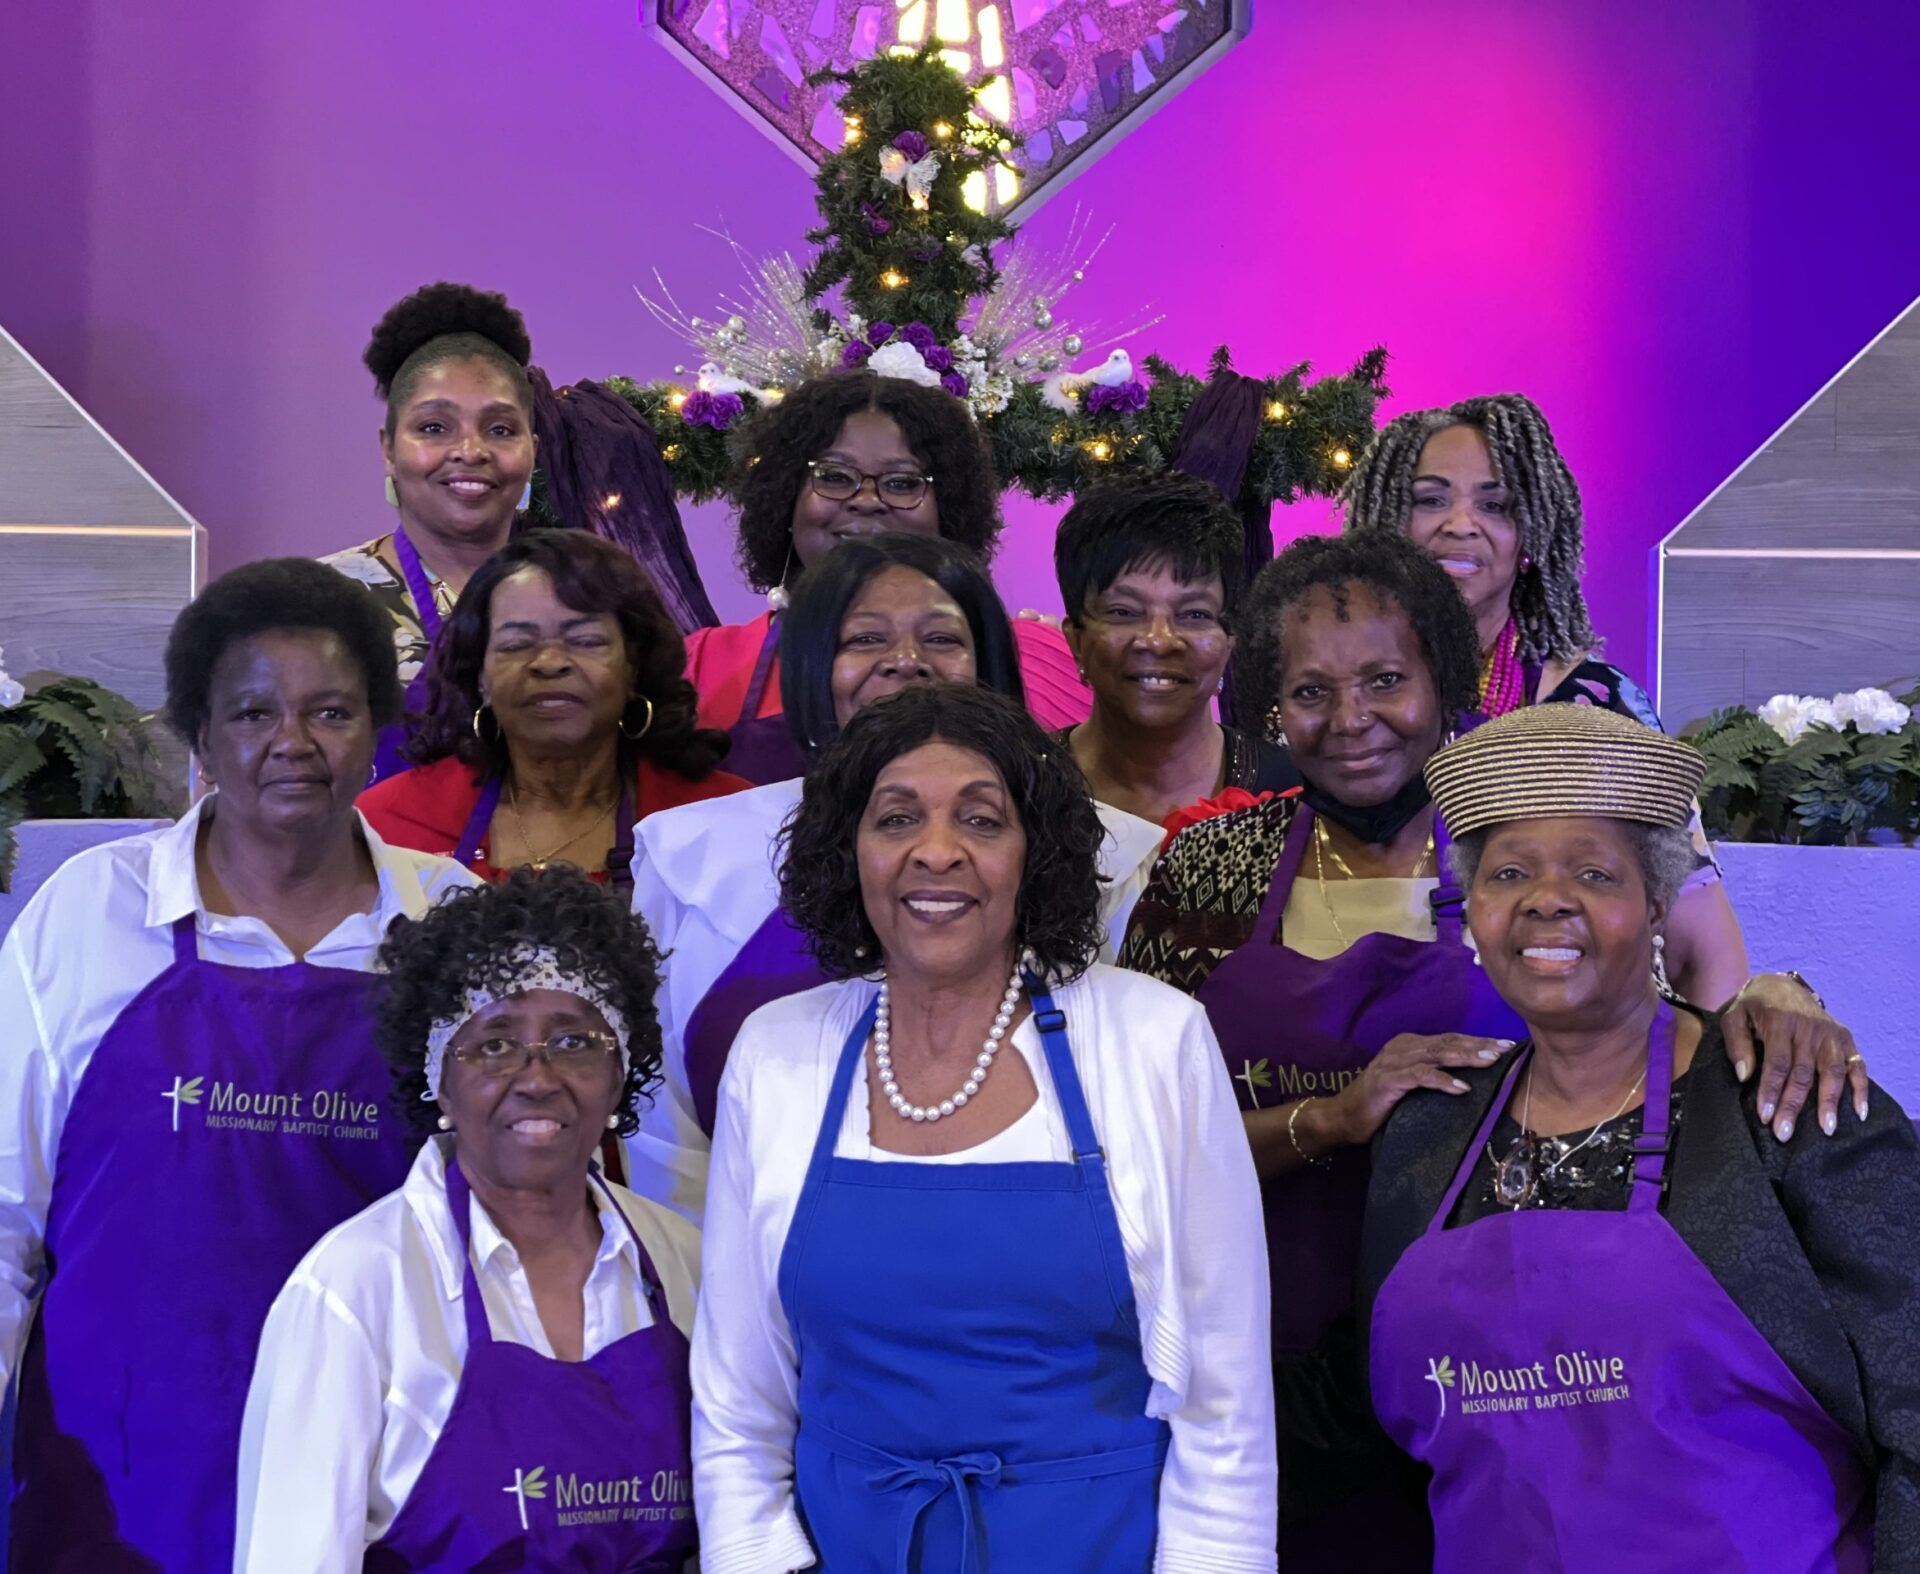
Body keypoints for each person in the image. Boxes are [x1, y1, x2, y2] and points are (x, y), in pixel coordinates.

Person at [1118, 530, 1871, 1565]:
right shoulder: (1212, 865)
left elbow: (1661, 1017)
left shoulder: (1523, 845)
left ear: (1446, 677)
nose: (1351, 719)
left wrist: (1779, 995)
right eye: (1310, 692)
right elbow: (1139, 1140)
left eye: (1386, 680)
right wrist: (1331, 1118)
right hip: (1261, 1356)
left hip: (1518, 1371)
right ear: (1269, 705)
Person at [691, 683, 1274, 1572]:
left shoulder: (1154, 1039)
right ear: (848, 851)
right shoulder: (777, 1053)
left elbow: (1224, 1406)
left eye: (981, 820)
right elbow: (739, 1402)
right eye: (896, 819)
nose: (937, 851)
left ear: (1034, 854)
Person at [1349, 703, 1920, 1570]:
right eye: (1508, 874)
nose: (1546, 899)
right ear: (1475, 908)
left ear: (1657, 904)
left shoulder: (1785, 1101)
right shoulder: (1429, 1132)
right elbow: (1376, 1434)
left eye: (1594, 873)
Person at [0, 559, 476, 1570]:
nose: (292, 742)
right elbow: (3, 1216)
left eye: (331, 712)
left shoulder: (452, 920)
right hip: (113, 1475)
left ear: (377, 728)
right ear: (203, 737)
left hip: (378, 1474)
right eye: (253, 713)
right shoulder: (90, 911)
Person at [627, 532, 1163, 1222]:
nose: (906, 662)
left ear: (989, 663)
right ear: (812, 666)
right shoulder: (687, 855)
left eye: (941, 639)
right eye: (865, 639)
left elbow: (1124, 1113)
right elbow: (663, 1135)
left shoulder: (1107, 855)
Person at [235, 868, 700, 1571]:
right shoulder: (355, 1288)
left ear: (620, 1076)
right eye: (494, 1044)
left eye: (575, 1042)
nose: (537, 1078)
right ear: (440, 1082)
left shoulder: (686, 1263)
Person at [1339, 391, 1754, 1009]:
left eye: (1495, 505)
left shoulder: (1600, 705)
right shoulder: (1333, 706)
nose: (1461, 523)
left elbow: (1704, 946)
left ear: (1530, 534)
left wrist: (1707, 1066)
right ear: (1387, 522)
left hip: (1579, 1044)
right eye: (1430, 500)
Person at [683, 370, 1090, 784]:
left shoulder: (1041, 657)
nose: (866, 501)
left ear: (948, 507)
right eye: (835, 477)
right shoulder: (702, 664)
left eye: (901, 483)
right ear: (786, 497)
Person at [358, 529, 748, 888]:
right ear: (479, 676)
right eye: (516, 644)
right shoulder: (386, 824)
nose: (549, 662)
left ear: (634, 666)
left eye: (585, 640)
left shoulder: (724, 822)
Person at [321, 282, 538, 782]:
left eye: (501, 429)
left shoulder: (576, 604)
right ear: (388, 448)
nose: (471, 451)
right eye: (435, 428)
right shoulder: (318, 604)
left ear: (534, 449)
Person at [1052, 474, 1297, 828]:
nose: (1159, 640)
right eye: (1124, 612)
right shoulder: (1018, 788)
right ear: (1076, 639)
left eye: (1194, 614)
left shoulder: (1292, 795)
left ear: (1228, 642)